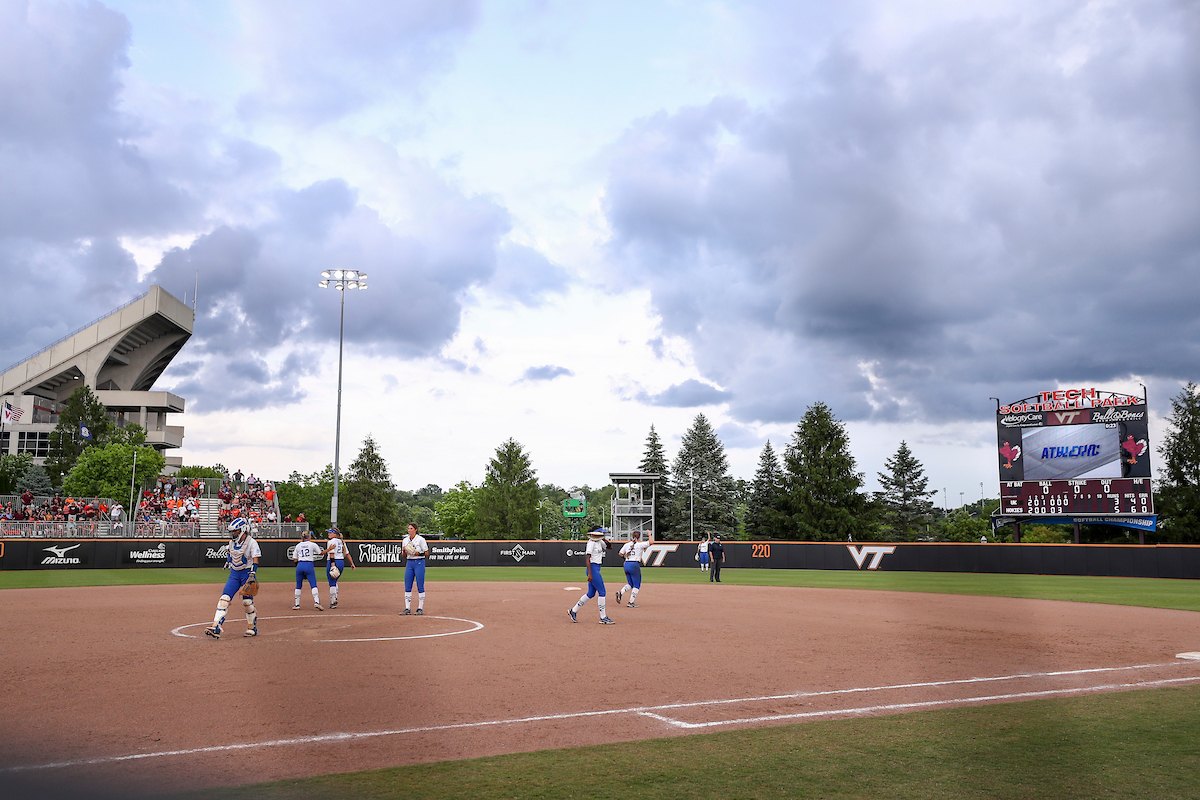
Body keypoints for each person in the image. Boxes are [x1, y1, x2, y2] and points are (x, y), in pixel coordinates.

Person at [205, 518, 261, 639]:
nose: (233, 533)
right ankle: (216, 626)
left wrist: (253, 574)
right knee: (224, 599)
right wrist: (228, 561)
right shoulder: (231, 543)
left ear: (242, 530)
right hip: (234, 574)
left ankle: (252, 627)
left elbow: (255, 560)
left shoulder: (252, 542)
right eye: (233, 531)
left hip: (247, 573)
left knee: (247, 602)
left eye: (236, 531)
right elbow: (230, 553)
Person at [569, 526, 615, 624]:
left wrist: (604, 539)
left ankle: (573, 610)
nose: (603, 534)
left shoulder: (599, 542)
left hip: (596, 568)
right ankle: (603, 617)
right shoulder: (591, 543)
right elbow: (587, 558)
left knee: (591, 593)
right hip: (593, 569)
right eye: (601, 532)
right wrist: (590, 574)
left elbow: (610, 547)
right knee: (602, 592)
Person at [319, 527, 357, 608]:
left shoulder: (331, 542)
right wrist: (352, 563)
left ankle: (333, 602)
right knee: (335, 580)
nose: (328, 534)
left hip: (333, 561)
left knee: (332, 582)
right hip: (341, 562)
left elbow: (332, 554)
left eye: (330, 532)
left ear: (334, 534)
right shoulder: (341, 542)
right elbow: (347, 554)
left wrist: (332, 566)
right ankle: (335, 597)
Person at [616, 531, 651, 608]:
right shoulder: (640, 544)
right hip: (634, 564)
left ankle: (620, 592)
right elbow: (651, 542)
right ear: (639, 537)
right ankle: (630, 602)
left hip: (626, 564)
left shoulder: (627, 544)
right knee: (637, 585)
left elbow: (620, 554)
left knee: (630, 584)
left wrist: (627, 557)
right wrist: (649, 534)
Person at [292, 530, 324, 610]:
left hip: (300, 565)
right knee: (313, 585)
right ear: (308, 537)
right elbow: (320, 553)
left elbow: (295, 559)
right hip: (309, 565)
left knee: (298, 585)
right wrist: (329, 549)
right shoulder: (312, 544)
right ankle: (317, 602)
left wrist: (299, 567)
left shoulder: (298, 545)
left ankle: (297, 604)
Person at [401, 523, 429, 615]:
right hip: (409, 563)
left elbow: (426, 552)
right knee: (407, 586)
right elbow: (404, 556)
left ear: (415, 529)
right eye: (408, 528)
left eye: (411, 528)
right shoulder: (405, 540)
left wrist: (417, 553)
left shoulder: (420, 539)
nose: (409, 530)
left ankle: (420, 608)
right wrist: (404, 550)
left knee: (420, 586)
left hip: (419, 562)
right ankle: (407, 608)